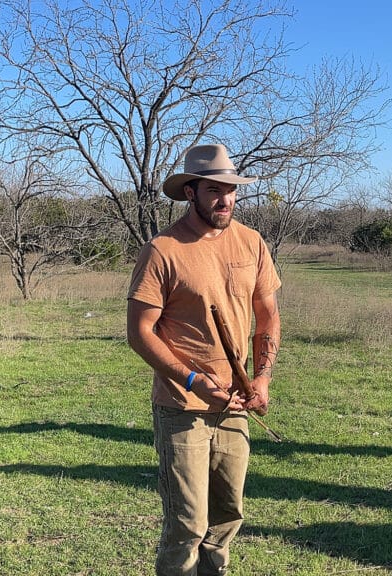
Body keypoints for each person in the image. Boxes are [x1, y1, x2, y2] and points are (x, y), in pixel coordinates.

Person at [127, 143, 282, 575]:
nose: (225, 199)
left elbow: (268, 316)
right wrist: (193, 380)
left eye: (231, 189)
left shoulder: (251, 243)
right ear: (190, 191)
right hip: (183, 407)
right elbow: (139, 333)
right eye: (214, 189)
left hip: (235, 406)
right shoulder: (163, 249)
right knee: (187, 524)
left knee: (227, 517)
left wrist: (262, 379)